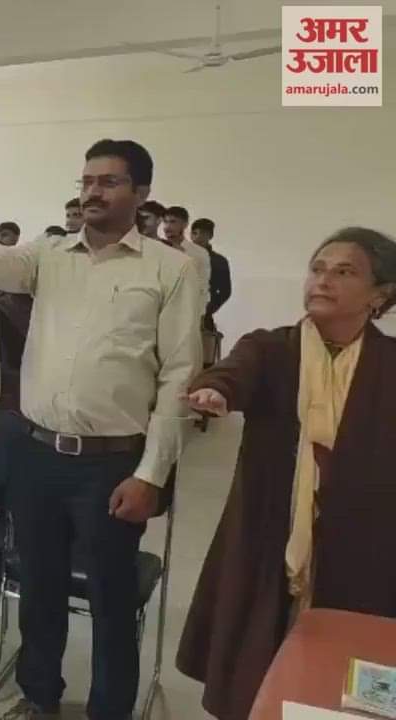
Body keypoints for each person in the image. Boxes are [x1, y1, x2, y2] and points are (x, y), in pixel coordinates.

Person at [0, 139, 202, 720]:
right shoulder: (48, 254)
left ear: (141, 194)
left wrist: (152, 473)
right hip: (37, 453)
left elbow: (178, 378)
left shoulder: (171, 268)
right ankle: (38, 697)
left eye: (109, 182)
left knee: (110, 599)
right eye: (87, 180)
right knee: (40, 589)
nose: (93, 191)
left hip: (113, 463)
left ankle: (109, 709)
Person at [176, 227, 396, 720]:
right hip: (273, 537)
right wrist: (216, 391)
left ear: (380, 294)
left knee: (340, 682)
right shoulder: (274, 348)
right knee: (258, 674)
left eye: (344, 272)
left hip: (363, 549)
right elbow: (235, 371)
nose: (323, 280)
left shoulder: (389, 364)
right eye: (318, 268)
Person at [161, 205, 211, 313]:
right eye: (165, 222)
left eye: (173, 222)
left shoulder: (198, 253)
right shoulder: (157, 249)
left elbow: (202, 288)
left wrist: (199, 315)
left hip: (186, 311)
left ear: (185, 224)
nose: (167, 227)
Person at [191, 218, 232, 334]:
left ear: (210, 236)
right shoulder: (181, 255)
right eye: (194, 233)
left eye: (203, 233)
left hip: (204, 317)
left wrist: (207, 310)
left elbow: (225, 291)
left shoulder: (219, 261)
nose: (198, 237)